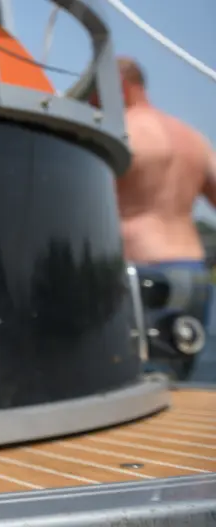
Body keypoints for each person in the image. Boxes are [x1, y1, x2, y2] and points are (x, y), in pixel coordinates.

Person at [113, 56, 216, 381]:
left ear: (120, 84)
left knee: (138, 382)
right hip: (193, 269)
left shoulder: (121, 132)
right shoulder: (194, 139)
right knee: (182, 375)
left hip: (143, 275)